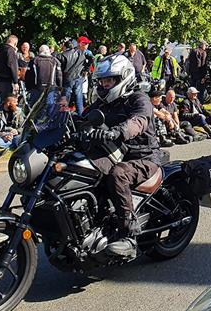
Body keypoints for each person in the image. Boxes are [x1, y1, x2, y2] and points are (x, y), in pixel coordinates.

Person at [86, 54, 161, 258]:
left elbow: (139, 121)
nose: (104, 85)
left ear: (123, 78)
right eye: (102, 81)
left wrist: (117, 131)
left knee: (118, 174)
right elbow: (82, 117)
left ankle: (129, 236)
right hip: (115, 154)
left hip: (143, 157)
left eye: (109, 80)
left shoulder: (139, 99)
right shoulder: (102, 104)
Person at [59, 39, 87, 113]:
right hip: (78, 78)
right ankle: (81, 117)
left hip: (68, 79)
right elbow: (91, 60)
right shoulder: (82, 54)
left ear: (65, 47)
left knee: (65, 100)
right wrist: (85, 71)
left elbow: (60, 70)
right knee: (79, 99)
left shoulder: (63, 55)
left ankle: (63, 118)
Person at [0, 34, 19, 100]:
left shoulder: (0, 50)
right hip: (7, 81)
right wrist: (16, 81)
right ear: (15, 43)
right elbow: (12, 66)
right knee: (7, 102)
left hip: (0, 79)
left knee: (0, 101)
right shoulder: (10, 51)